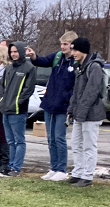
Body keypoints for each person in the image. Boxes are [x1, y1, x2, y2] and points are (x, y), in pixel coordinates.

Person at [26, 31, 77, 181]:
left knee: (59, 138)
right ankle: (54, 167)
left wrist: (66, 99)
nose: (63, 47)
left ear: (72, 45)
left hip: (63, 106)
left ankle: (62, 169)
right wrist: (33, 56)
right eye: (61, 44)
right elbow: (41, 61)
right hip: (49, 103)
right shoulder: (57, 57)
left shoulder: (75, 62)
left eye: (66, 44)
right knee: (51, 138)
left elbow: (75, 86)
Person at [66, 37, 105, 187]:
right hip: (80, 113)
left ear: (83, 51)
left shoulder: (94, 67)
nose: (73, 53)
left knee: (89, 145)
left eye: (75, 50)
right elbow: (76, 92)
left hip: (91, 114)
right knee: (76, 143)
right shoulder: (80, 67)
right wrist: (72, 109)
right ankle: (78, 172)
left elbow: (91, 92)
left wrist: (81, 112)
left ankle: (87, 176)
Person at [0, 41, 37, 178]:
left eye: (15, 51)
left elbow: (28, 90)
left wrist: (17, 103)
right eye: (11, 52)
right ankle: (10, 166)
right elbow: (2, 86)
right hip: (6, 109)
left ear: (21, 52)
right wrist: (2, 101)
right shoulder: (8, 68)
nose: (13, 54)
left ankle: (16, 168)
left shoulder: (29, 68)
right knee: (10, 140)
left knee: (19, 140)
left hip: (18, 111)